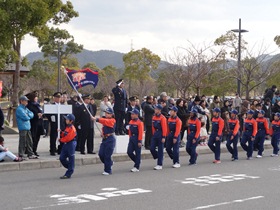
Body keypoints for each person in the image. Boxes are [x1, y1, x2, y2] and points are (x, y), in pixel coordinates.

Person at [93, 107, 116, 175]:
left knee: (107, 155)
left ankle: (108, 170)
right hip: (105, 139)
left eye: (108, 113)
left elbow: (106, 122)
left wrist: (97, 119)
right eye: (106, 113)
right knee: (101, 154)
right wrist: (102, 133)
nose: (106, 114)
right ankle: (110, 163)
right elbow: (104, 127)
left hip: (110, 139)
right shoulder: (105, 119)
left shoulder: (112, 120)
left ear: (111, 114)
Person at [58, 114, 77, 179]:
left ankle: (69, 172)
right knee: (62, 158)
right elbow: (65, 134)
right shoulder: (67, 127)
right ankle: (70, 167)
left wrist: (60, 140)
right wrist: (61, 132)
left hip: (71, 144)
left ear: (71, 121)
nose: (66, 120)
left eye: (67, 119)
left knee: (71, 157)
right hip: (66, 144)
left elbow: (68, 138)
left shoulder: (72, 128)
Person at [150, 104, 167, 170]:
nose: (155, 110)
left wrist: (163, 137)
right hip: (155, 134)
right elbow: (153, 126)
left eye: (156, 109)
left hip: (160, 133)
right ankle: (159, 156)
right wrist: (154, 133)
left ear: (159, 110)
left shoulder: (162, 118)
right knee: (152, 148)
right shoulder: (154, 117)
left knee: (160, 149)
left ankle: (159, 164)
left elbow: (164, 128)